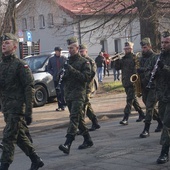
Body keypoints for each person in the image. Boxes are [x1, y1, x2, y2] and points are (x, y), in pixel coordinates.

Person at [0, 33, 44, 170]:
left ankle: (4, 166)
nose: (3, 45)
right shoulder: (1, 65)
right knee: (19, 137)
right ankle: (36, 160)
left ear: (14, 47)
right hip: (7, 109)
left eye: (7, 43)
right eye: (2, 43)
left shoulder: (20, 65)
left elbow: (29, 88)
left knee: (8, 138)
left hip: (17, 108)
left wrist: (28, 111)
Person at [58, 37, 93, 155]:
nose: (70, 50)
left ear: (77, 48)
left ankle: (67, 143)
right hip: (69, 95)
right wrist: (61, 75)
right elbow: (63, 77)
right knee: (78, 119)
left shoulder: (84, 62)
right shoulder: (68, 62)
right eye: (68, 48)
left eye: (72, 48)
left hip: (79, 94)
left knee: (73, 118)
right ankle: (88, 139)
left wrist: (72, 70)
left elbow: (86, 78)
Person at [137, 38, 163, 138]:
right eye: (142, 48)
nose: (143, 50)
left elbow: (153, 70)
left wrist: (142, 70)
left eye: (145, 47)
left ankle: (146, 129)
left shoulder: (155, 57)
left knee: (149, 107)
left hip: (153, 86)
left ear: (150, 47)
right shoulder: (141, 58)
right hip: (144, 85)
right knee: (148, 105)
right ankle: (160, 121)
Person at [115, 41, 145, 125]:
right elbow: (117, 68)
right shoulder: (123, 59)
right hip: (126, 82)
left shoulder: (135, 58)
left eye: (127, 49)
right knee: (133, 100)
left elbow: (137, 70)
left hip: (133, 83)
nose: (126, 50)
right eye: (125, 49)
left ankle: (125, 118)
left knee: (129, 100)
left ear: (131, 49)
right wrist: (117, 60)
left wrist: (136, 80)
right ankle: (141, 114)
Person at [153, 31, 170, 164]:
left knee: (166, 125)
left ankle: (164, 153)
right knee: (164, 120)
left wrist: (164, 68)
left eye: (166, 42)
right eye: (163, 42)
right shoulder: (159, 57)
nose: (163, 45)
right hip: (162, 95)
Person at [79, 44, 101, 131]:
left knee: (83, 106)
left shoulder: (90, 61)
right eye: (80, 51)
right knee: (86, 105)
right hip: (81, 87)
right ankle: (95, 122)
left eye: (82, 51)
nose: (81, 53)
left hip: (88, 87)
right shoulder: (80, 61)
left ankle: (82, 127)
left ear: (86, 51)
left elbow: (92, 73)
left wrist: (83, 78)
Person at [47, 47, 67, 111]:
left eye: (60, 51)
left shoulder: (64, 58)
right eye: (59, 51)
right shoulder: (51, 59)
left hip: (63, 77)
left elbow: (67, 67)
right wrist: (53, 73)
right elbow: (48, 68)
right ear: (55, 52)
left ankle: (63, 105)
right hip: (56, 77)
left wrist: (64, 73)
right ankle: (59, 105)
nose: (60, 53)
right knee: (58, 92)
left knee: (63, 91)